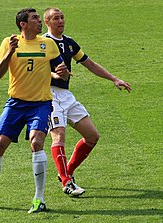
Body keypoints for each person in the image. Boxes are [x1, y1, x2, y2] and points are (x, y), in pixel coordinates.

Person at [0, 8, 70, 214]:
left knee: (36, 142)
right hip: (16, 104)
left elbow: (62, 73)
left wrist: (63, 73)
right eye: (35, 19)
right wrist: (10, 51)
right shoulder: (9, 42)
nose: (39, 22)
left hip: (41, 104)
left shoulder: (49, 44)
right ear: (23, 24)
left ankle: (39, 199)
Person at [43, 8, 131, 196]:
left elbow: (89, 63)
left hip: (66, 96)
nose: (61, 21)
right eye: (56, 18)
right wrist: (53, 74)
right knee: (58, 135)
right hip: (48, 95)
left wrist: (114, 79)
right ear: (47, 22)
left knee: (92, 136)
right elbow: (34, 70)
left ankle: (67, 172)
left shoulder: (69, 43)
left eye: (62, 17)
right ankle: (67, 182)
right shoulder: (42, 44)